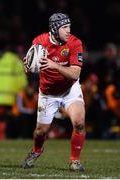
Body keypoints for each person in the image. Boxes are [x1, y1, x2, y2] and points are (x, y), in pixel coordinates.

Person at [23, 13, 86, 172]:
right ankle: (37, 150)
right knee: (40, 132)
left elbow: (75, 74)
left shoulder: (75, 43)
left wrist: (55, 65)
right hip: (47, 93)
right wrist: (28, 68)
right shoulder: (39, 42)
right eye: (65, 27)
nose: (68, 31)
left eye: (69, 27)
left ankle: (74, 160)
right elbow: (30, 71)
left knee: (79, 122)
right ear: (54, 29)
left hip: (69, 89)